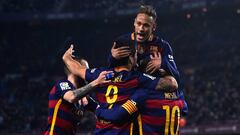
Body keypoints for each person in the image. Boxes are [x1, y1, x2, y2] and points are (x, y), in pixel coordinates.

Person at [62, 45, 178, 135]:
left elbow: (77, 68)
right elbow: (172, 84)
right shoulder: (138, 80)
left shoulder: (100, 74)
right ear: (131, 58)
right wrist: (163, 66)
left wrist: (66, 57)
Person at [108, 5, 188, 134]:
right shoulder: (122, 41)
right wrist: (112, 58)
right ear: (134, 23)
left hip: (150, 101)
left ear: (153, 27)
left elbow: (176, 80)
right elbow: (113, 72)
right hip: (129, 98)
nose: (141, 28)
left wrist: (163, 64)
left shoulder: (162, 46)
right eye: (139, 23)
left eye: (146, 25)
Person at [43, 57, 111, 135]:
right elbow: (71, 97)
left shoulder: (84, 98)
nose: (87, 73)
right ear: (73, 70)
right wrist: (96, 82)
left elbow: (102, 111)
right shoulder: (62, 84)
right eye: (84, 69)